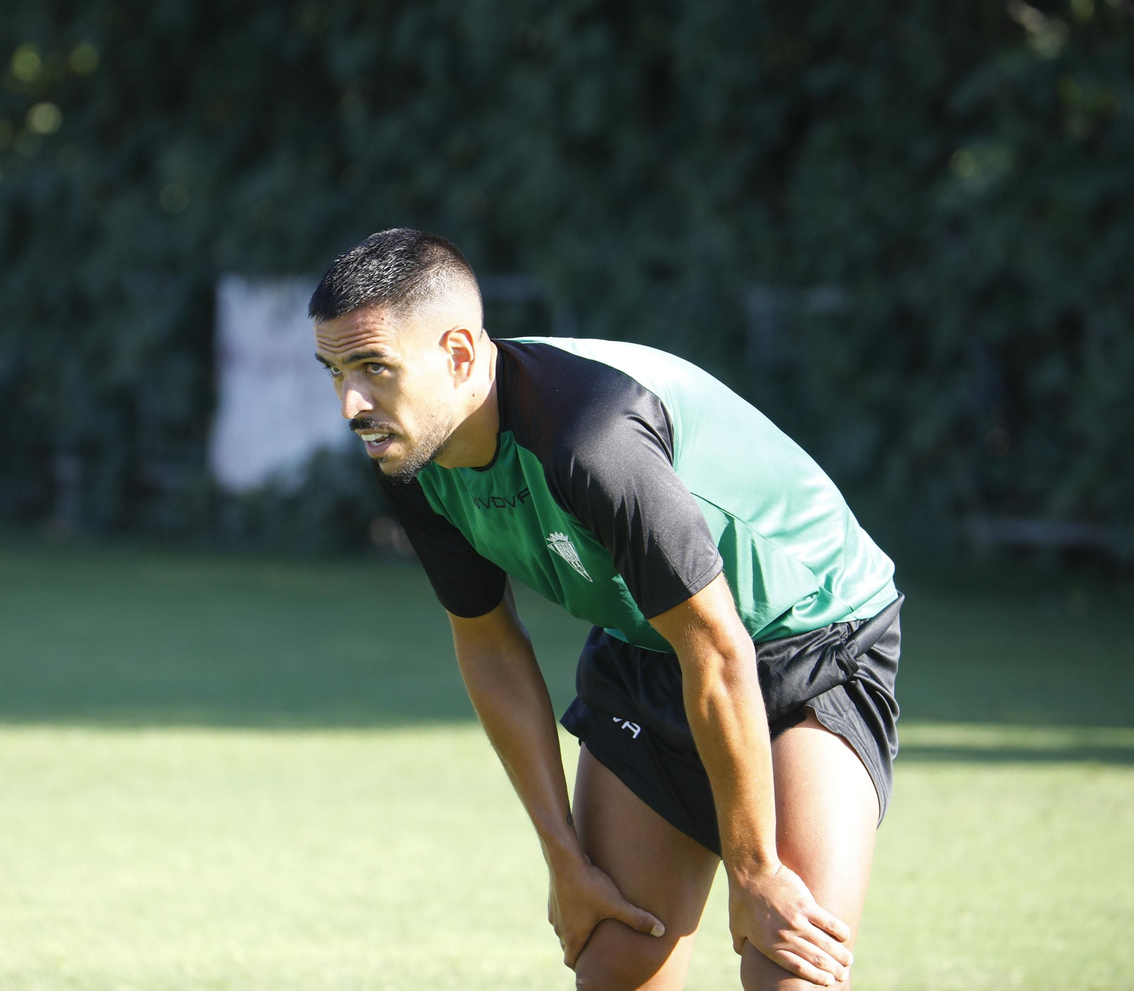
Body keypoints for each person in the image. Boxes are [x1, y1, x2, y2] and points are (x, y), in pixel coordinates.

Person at [308, 228, 903, 991]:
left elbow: (718, 648)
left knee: (788, 969)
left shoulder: (589, 436)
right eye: (335, 372)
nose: (351, 404)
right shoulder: (411, 454)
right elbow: (489, 645)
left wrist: (754, 870)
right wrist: (563, 857)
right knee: (616, 962)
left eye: (373, 368)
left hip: (811, 636)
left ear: (457, 354)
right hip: (653, 642)